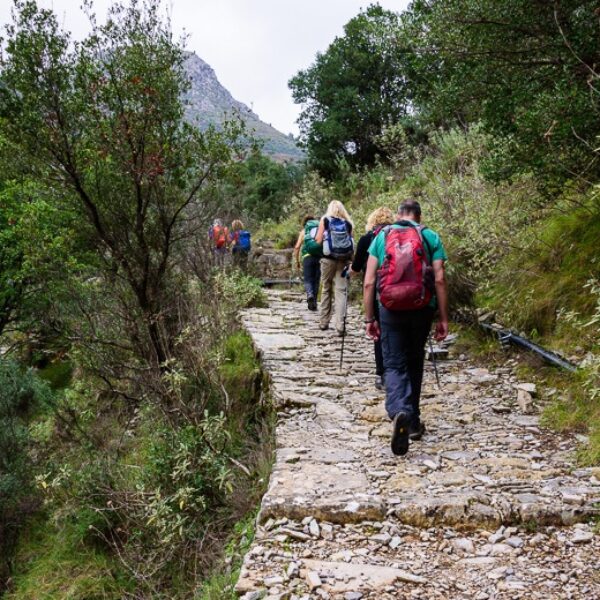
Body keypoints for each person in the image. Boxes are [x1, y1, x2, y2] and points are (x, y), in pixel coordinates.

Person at [363, 199, 448, 456]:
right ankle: (411, 422)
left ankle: (399, 409)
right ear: (419, 217)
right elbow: (440, 278)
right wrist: (443, 317)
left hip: (390, 309)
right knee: (414, 361)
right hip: (422, 307)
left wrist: (369, 318)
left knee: (393, 363)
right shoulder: (430, 236)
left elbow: (368, 282)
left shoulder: (382, 236)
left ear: (398, 215)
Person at [349, 207, 394, 390]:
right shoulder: (398, 235)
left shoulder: (368, 238)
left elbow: (357, 267)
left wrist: (349, 272)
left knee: (379, 331)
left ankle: (381, 373)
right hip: (401, 289)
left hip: (378, 291)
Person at [315, 200, 354, 335]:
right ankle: (340, 326)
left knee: (326, 288)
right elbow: (351, 244)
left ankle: (324, 322)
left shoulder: (325, 220)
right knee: (341, 291)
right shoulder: (348, 224)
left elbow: (318, 240)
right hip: (343, 260)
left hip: (327, 260)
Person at [293, 215, 322, 311]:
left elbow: (297, 247)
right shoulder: (320, 230)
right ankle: (314, 304)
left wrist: (297, 261)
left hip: (307, 257)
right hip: (319, 257)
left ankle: (309, 294)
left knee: (308, 279)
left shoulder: (304, 231)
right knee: (316, 280)